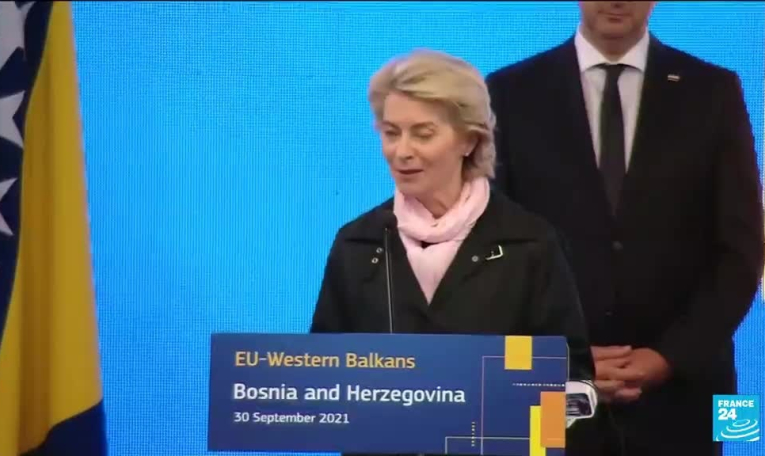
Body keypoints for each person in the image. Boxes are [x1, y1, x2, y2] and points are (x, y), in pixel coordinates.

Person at [486, 2, 765, 456]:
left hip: (684, 395)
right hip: (553, 391)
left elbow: (741, 249)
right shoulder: (510, 91)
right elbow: (497, 251)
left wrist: (669, 357)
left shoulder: (713, 90)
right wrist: (565, 360)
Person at [310, 49, 595, 383]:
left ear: (469, 141)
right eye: (391, 133)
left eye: (423, 134)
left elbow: (568, 376)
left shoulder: (529, 244)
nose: (402, 151)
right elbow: (322, 377)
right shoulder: (358, 244)